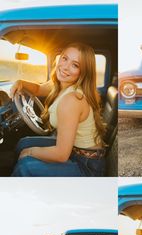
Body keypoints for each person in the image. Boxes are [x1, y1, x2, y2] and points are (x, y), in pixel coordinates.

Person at [10, 42, 107, 177]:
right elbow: (38, 89)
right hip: (73, 150)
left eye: (75, 65)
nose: (65, 67)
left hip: (87, 165)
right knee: (23, 143)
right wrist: (20, 82)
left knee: (25, 167)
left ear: (83, 72)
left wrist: (30, 152)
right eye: (64, 58)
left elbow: (61, 154)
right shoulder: (61, 84)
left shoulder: (72, 100)